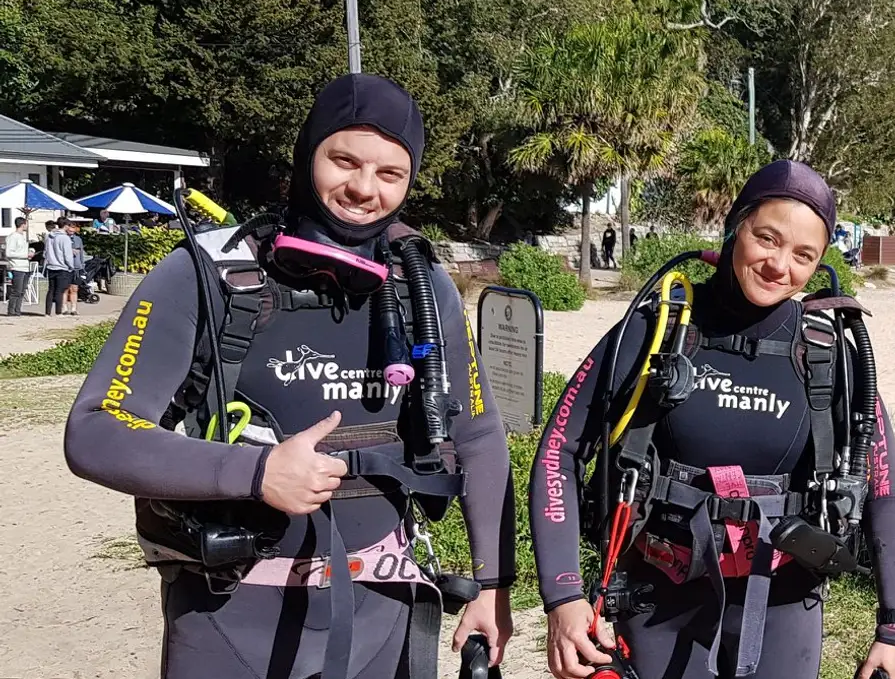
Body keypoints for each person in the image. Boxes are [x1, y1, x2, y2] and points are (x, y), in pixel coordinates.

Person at [64, 73, 517, 678]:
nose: (363, 188)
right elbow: (95, 430)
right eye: (344, 161)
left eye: (390, 174)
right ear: (307, 157)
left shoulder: (422, 286)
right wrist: (255, 472)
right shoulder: (208, 275)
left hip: (385, 606)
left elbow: (479, 434)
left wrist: (491, 583)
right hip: (232, 611)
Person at [534, 160, 895, 679]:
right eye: (767, 238)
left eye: (804, 255)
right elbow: (560, 448)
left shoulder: (828, 354)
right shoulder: (660, 329)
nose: (779, 265)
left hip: (784, 601)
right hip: (659, 598)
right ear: (736, 225)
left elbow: (885, 489)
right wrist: (563, 596)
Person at [41, 220, 75, 316]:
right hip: (62, 267)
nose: (69, 228)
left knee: (51, 289)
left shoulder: (49, 236)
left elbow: (45, 252)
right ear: (65, 226)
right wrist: (71, 266)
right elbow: (67, 255)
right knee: (60, 290)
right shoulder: (65, 238)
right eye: (68, 226)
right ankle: (58, 312)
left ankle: (47, 313)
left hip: (51, 266)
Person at [4, 217, 30, 316]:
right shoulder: (13, 237)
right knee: (16, 290)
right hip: (17, 267)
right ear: (23, 224)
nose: (27, 226)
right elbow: (9, 253)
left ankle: (17, 311)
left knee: (22, 291)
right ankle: (11, 311)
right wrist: (25, 255)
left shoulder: (22, 237)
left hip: (25, 267)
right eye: (26, 224)